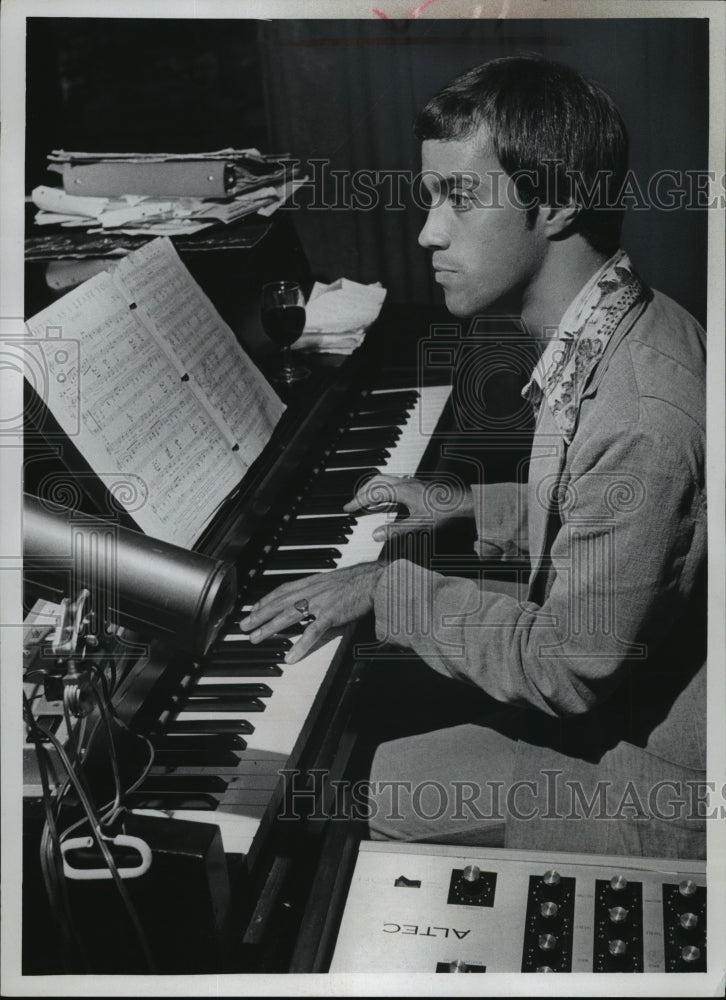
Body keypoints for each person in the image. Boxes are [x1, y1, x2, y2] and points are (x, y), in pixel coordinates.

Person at [240, 56, 706, 859]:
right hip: (651, 705)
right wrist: (463, 506)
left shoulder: (640, 415)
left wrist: (391, 591)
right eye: (430, 198)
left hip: (677, 792)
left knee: (337, 786)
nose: (427, 232)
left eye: (458, 197)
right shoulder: (639, 322)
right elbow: (624, 526)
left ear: (556, 202)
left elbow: (567, 668)